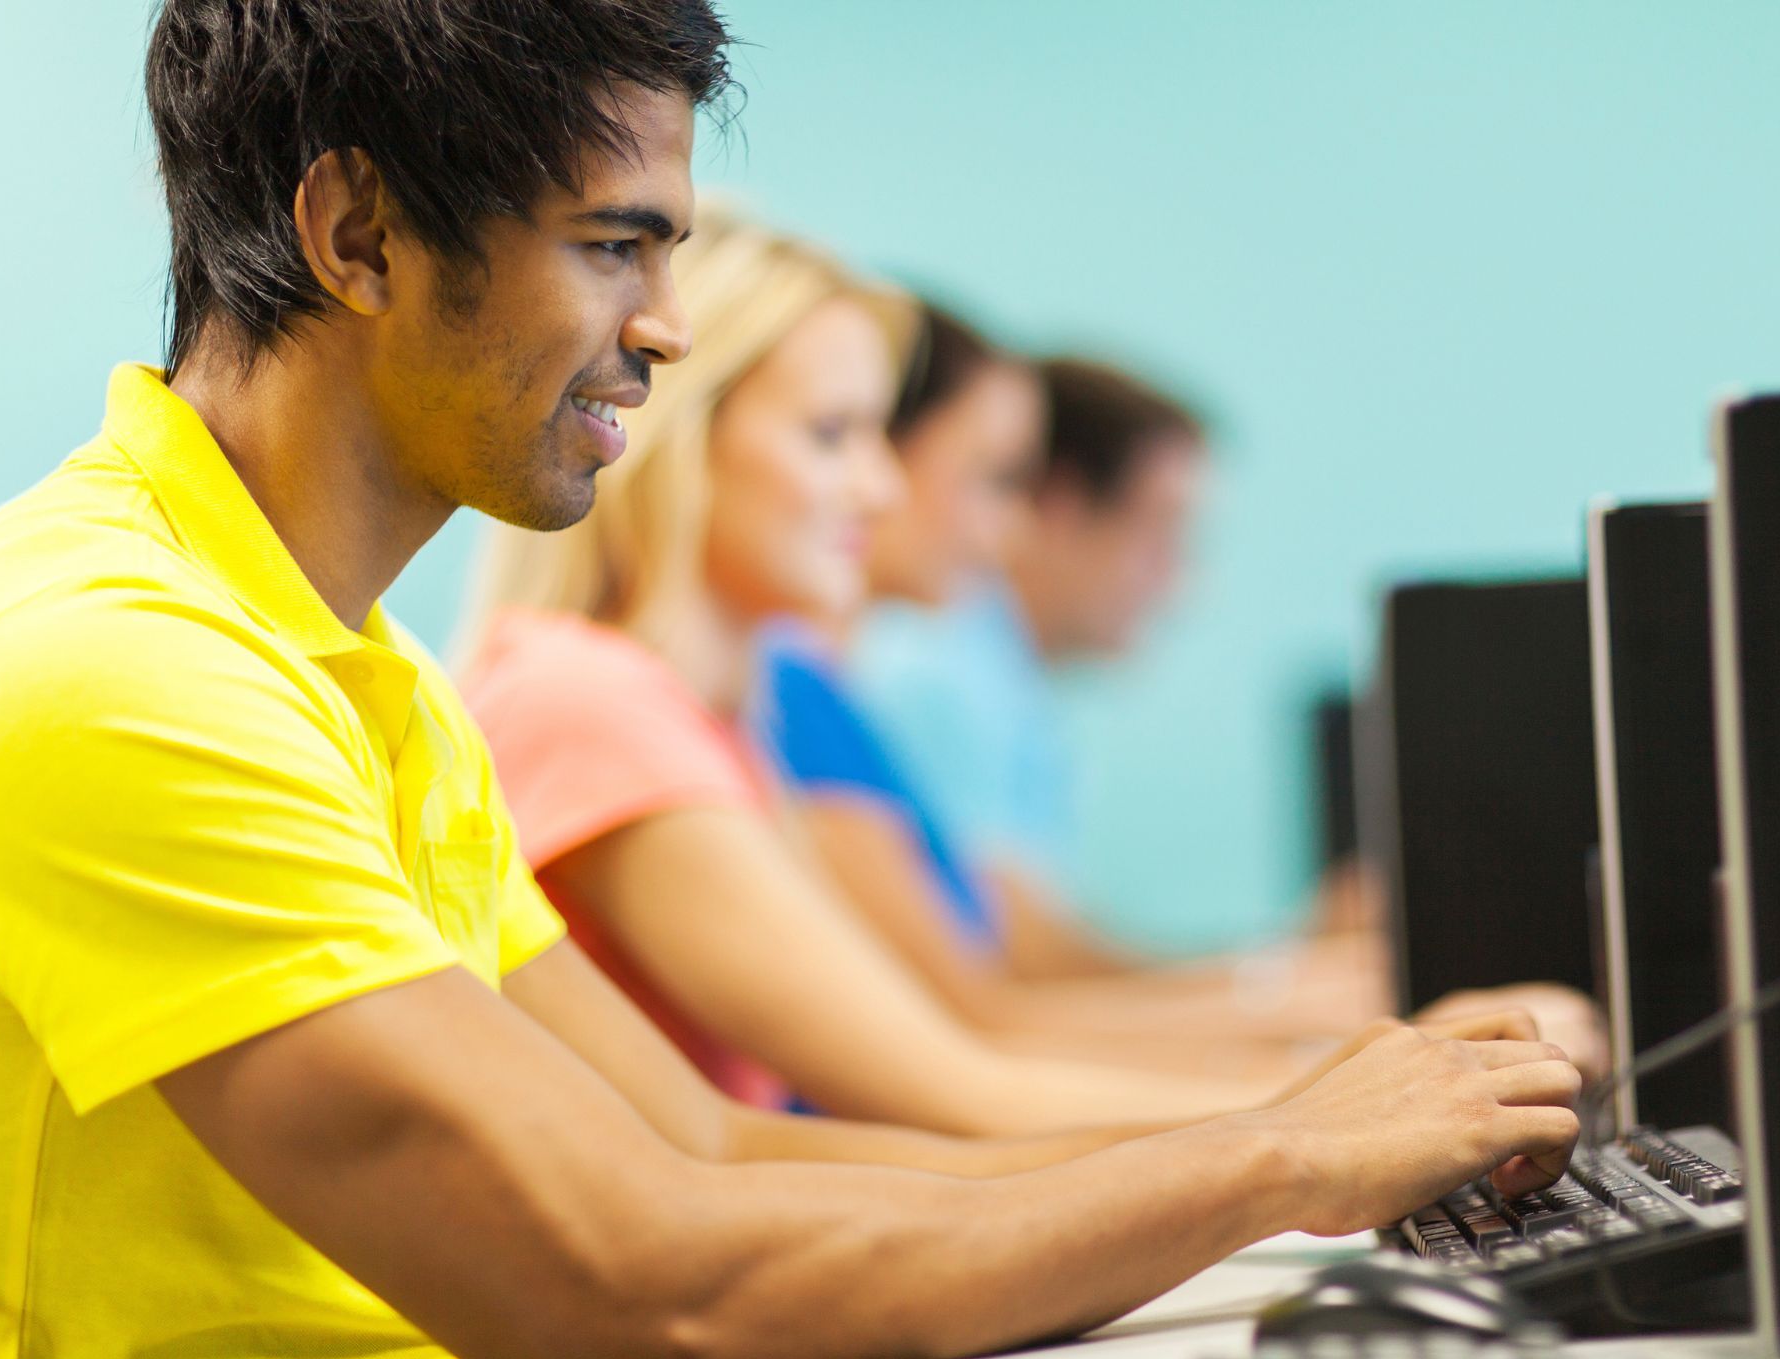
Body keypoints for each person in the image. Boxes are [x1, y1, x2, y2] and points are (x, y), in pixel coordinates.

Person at [0, 3, 1581, 1359]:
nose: (666, 328)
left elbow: (709, 1149)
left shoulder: (367, 675)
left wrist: (1307, 1126)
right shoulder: (122, 673)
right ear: (358, 237)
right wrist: (1282, 1158)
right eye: (615, 244)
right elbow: (644, 1308)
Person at [461, 209, 1386, 1124]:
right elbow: (961, 1085)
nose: (883, 488)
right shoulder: (591, 707)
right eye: (831, 436)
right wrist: (1364, 1101)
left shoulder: (714, 720)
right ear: (680, 437)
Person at [851, 356, 1611, 1068]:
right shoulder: (932, 669)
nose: (1183, 583)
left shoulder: (996, 682)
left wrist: (1289, 982)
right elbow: (1023, 972)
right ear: (1061, 506)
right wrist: (1283, 986)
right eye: (1164, 532)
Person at [757, 306, 1383, 1052]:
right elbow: (996, 1009)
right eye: (993, 481)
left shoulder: (825, 685)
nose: (1010, 529)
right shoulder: (900, 674)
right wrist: (1291, 1001)